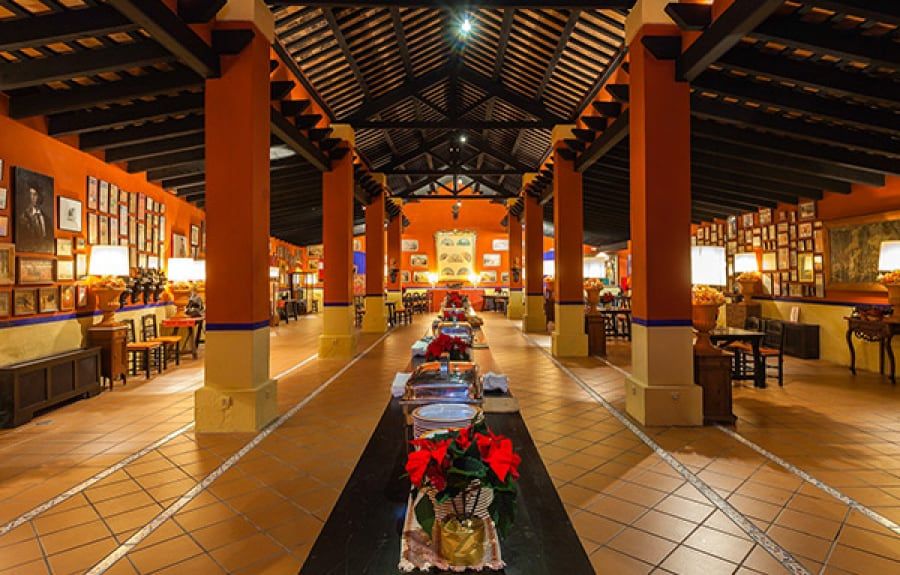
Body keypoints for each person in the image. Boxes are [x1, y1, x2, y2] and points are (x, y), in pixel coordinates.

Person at [18, 186, 51, 251]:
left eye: (35, 194)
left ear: (40, 197)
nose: (31, 197)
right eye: (30, 194)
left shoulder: (46, 218)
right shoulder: (23, 217)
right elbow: (22, 241)